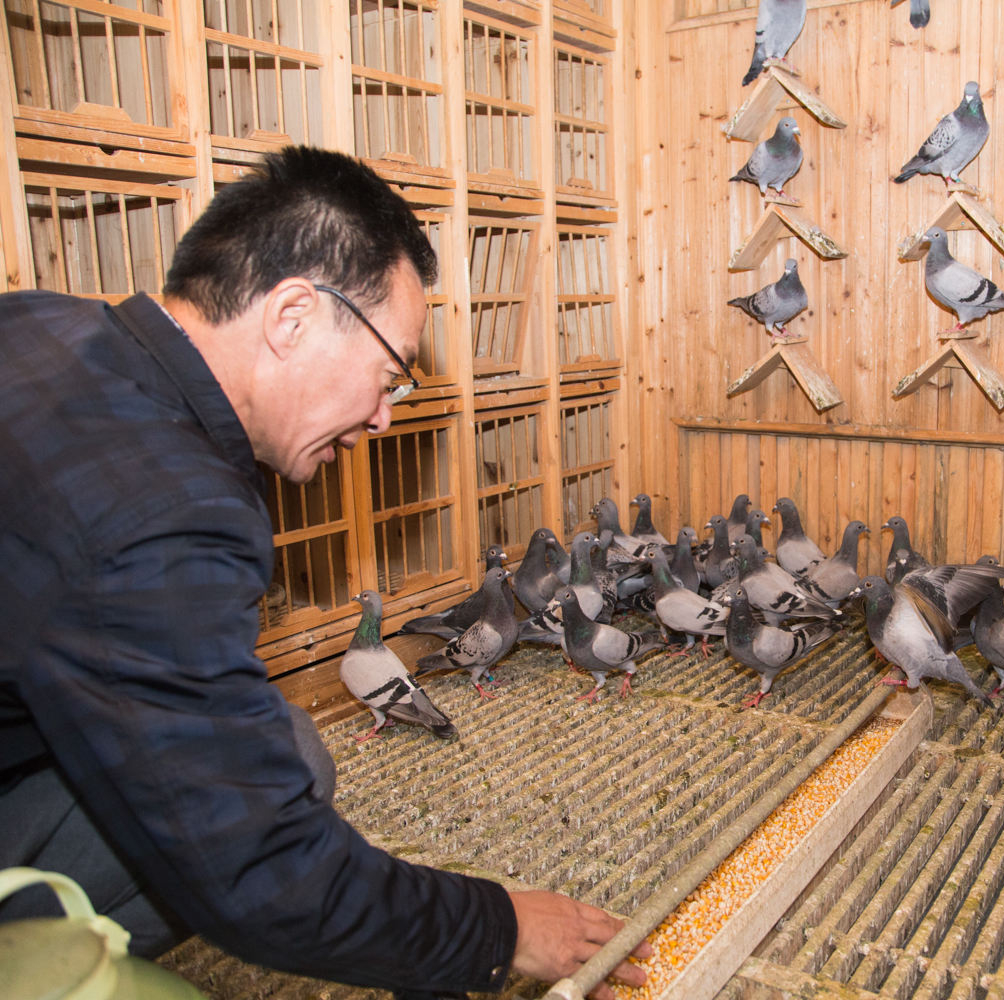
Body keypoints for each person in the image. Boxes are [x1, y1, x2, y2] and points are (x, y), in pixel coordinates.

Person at [0, 146, 648, 998]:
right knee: (270, 789)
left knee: (286, 747)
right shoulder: (164, 508)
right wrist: (502, 927)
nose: (383, 417)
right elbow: (264, 870)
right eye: (389, 374)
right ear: (293, 316)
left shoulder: (36, 323)